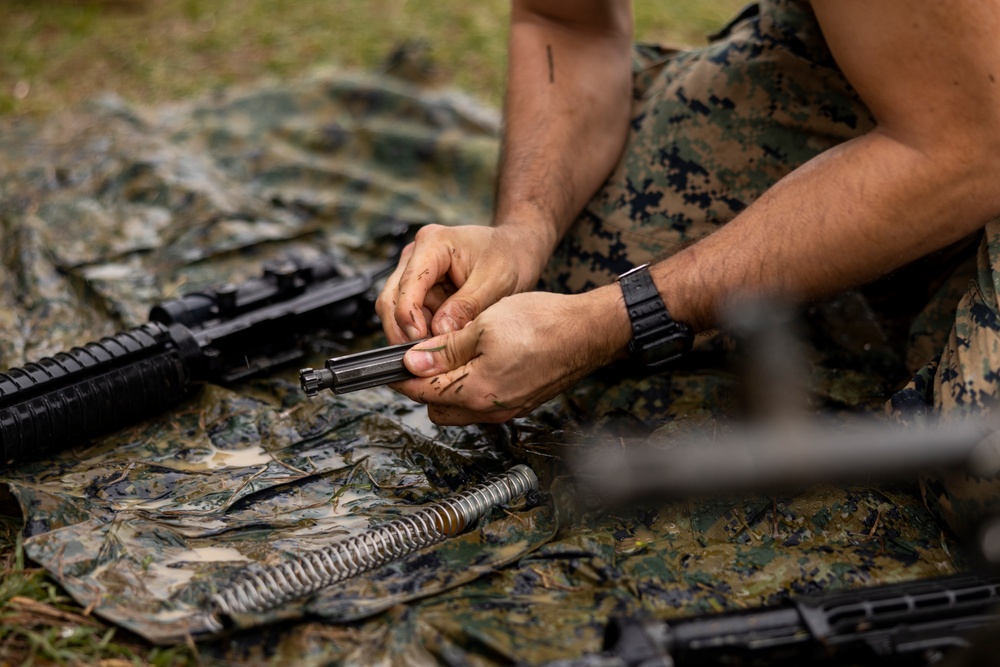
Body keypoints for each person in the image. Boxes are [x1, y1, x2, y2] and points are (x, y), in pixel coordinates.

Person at [375, 0, 1000, 430]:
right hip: (922, 52)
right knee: (577, 267)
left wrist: (613, 319)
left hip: (975, 127)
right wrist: (522, 231)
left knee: (975, 461)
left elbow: (970, 148)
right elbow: (564, 20)